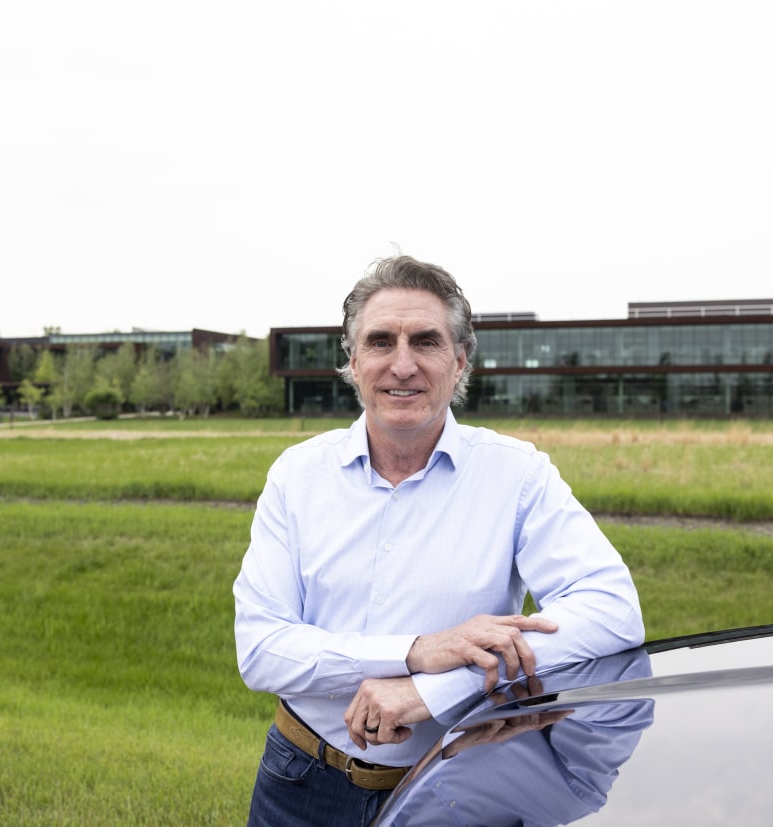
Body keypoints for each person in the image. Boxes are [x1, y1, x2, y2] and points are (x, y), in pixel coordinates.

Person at [233, 255, 644, 826]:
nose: (402, 365)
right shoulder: (297, 476)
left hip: (461, 783)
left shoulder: (517, 475)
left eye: (425, 341)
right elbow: (260, 649)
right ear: (353, 361)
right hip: (302, 782)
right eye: (380, 342)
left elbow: (613, 612)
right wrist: (416, 652)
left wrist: (438, 688)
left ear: (459, 359)